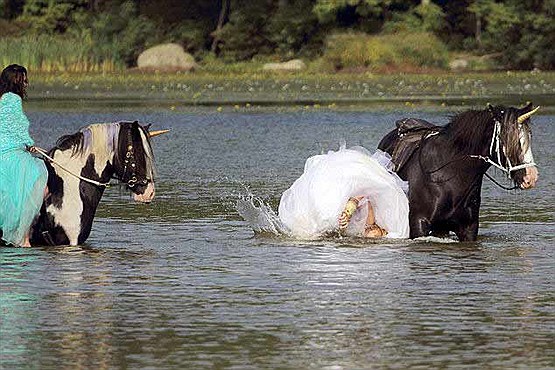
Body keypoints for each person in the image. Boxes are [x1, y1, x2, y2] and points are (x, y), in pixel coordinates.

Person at [277, 145, 410, 239]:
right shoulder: (372, 221)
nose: (370, 234)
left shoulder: (368, 229)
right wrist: (348, 211)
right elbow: (363, 195)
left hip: (352, 212)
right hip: (346, 179)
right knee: (321, 217)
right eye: (373, 232)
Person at [0, 64, 48, 247]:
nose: (27, 84)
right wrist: (29, 145)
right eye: (24, 80)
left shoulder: (2, 99)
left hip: (3, 153)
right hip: (12, 155)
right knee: (40, 185)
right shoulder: (12, 100)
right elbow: (17, 130)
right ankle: (25, 237)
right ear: (17, 81)